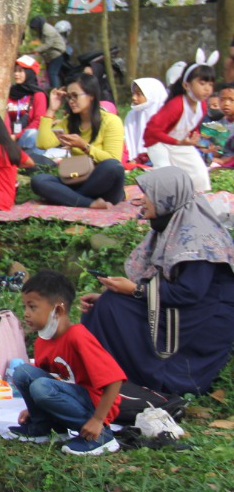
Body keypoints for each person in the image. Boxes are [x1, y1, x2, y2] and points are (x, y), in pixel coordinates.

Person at [81, 167, 234, 396]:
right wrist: (124, 292)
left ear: (167, 195)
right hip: (183, 305)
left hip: (205, 318)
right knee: (104, 305)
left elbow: (189, 293)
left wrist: (134, 290)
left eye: (148, 194)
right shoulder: (174, 221)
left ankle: (139, 378)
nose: (142, 200)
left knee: (112, 307)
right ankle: (100, 375)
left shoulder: (197, 237)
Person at [12, 271, 125, 456]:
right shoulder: (42, 341)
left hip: (94, 406)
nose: (26, 314)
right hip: (68, 397)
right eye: (25, 307)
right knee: (23, 373)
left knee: (41, 387)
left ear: (58, 310)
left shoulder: (78, 336)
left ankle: (101, 437)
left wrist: (98, 420)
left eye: (32, 307)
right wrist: (33, 410)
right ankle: (44, 427)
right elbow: (50, 381)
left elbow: (115, 380)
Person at [32, 74, 126, 208]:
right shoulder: (68, 122)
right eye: (69, 96)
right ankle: (88, 203)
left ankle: (71, 197)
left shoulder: (111, 121)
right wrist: (51, 109)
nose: (71, 101)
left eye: (75, 95)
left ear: (91, 95)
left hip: (104, 185)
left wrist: (85, 147)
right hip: (77, 179)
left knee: (112, 166)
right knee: (39, 180)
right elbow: (42, 144)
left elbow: (114, 159)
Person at [144, 60, 216, 192]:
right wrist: (176, 141)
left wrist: (197, 140)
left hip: (181, 142)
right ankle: (157, 203)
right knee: (165, 172)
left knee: (199, 173)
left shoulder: (203, 106)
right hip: (158, 142)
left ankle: (195, 202)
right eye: (202, 83)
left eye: (210, 84)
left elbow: (192, 126)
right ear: (186, 85)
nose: (207, 89)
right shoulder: (176, 105)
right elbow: (152, 130)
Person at [8, 56, 49, 159]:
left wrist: (16, 136)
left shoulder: (38, 95)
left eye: (21, 71)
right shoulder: (9, 93)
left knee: (33, 134)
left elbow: (38, 121)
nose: (16, 74)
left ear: (29, 73)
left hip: (26, 137)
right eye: (15, 71)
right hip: (8, 138)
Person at [124, 77, 168, 165]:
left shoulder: (166, 116)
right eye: (133, 93)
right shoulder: (132, 115)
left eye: (138, 94)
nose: (133, 98)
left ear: (152, 95)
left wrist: (141, 159)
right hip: (134, 163)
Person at [31, 15, 67, 89]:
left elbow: (48, 44)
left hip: (56, 54)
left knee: (52, 73)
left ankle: (55, 90)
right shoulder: (44, 29)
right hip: (52, 54)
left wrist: (36, 50)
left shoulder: (48, 31)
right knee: (51, 73)